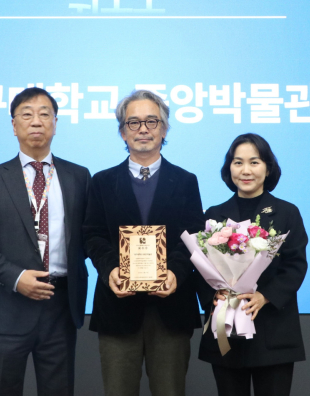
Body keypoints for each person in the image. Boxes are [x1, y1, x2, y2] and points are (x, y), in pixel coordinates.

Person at [0, 87, 91, 396]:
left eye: (45, 114)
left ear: (55, 123)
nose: (36, 121)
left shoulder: (78, 176)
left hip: (61, 305)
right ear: (13, 124)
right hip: (8, 306)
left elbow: (90, 234)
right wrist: (16, 277)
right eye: (27, 114)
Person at [82, 89, 205, 396]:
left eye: (152, 121)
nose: (143, 129)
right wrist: (111, 270)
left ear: (164, 129)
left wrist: (174, 273)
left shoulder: (186, 181)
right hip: (118, 307)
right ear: (122, 132)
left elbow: (194, 236)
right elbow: (92, 235)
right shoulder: (102, 181)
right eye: (133, 122)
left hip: (171, 307)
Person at [197, 133, 308, 396]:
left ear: (268, 168)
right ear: (229, 168)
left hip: (273, 330)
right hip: (226, 328)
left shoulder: (287, 213)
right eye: (238, 163)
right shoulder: (214, 215)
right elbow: (200, 267)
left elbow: (295, 265)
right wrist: (214, 294)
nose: (245, 170)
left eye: (254, 162)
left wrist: (264, 296)